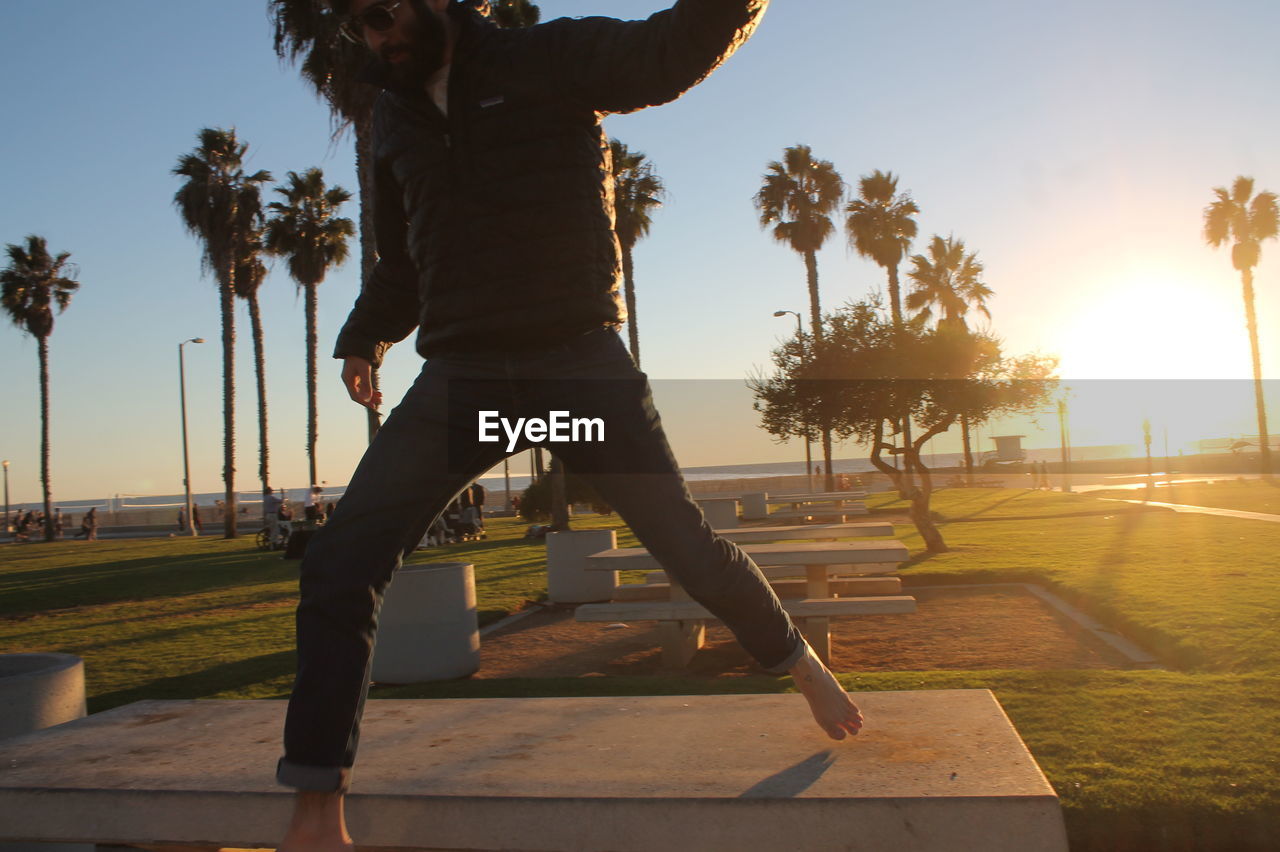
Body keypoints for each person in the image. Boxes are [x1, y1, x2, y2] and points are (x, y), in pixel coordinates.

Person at [275, 2, 861, 848]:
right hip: (465, 377)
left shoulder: (550, 58)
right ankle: (317, 807)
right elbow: (399, 263)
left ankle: (801, 666)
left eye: (389, 12)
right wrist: (365, 336)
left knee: (684, 545)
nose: (379, 35)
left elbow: (668, 52)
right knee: (341, 560)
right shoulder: (391, 118)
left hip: (573, 361)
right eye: (363, 22)